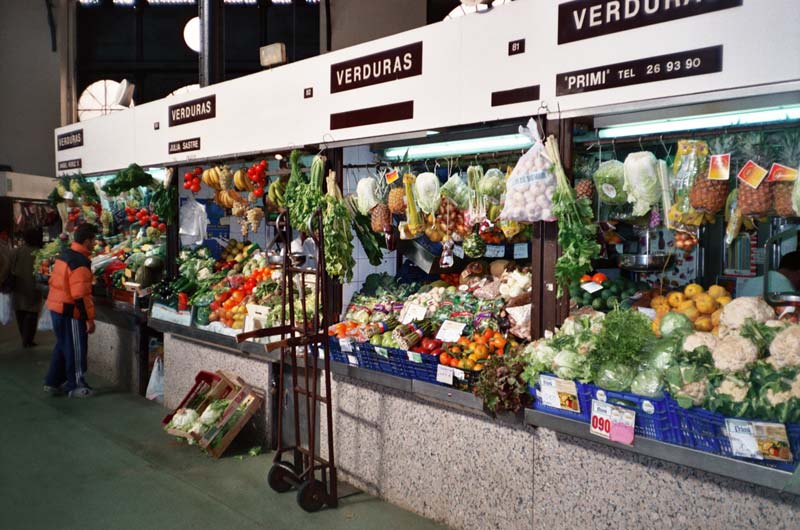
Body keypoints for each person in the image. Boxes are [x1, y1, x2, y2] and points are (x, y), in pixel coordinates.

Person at [44, 223, 97, 398]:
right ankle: (76, 384)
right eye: (93, 239)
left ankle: (52, 382)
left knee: (62, 346)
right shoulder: (79, 262)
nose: (95, 243)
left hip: (57, 307)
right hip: (70, 311)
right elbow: (80, 295)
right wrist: (88, 319)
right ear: (87, 240)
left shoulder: (65, 255)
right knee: (75, 348)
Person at [11, 227, 43, 347]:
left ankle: (24, 337)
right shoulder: (40, 252)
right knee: (32, 312)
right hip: (34, 286)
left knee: (20, 311)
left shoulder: (16, 251)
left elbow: (11, 267)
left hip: (18, 286)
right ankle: (28, 339)